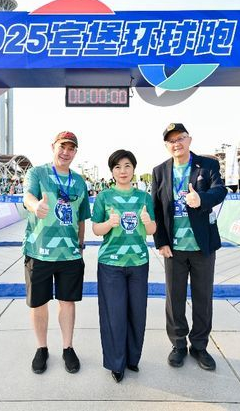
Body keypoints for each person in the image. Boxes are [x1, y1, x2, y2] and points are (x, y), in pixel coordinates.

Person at [151, 123, 227, 371]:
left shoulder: (207, 165)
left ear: (189, 139)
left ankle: (200, 346)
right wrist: (161, 241)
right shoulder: (159, 171)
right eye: (171, 140)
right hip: (174, 248)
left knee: (203, 298)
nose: (177, 144)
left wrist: (201, 199)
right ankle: (178, 345)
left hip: (202, 246)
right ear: (166, 145)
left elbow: (220, 191)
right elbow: (156, 208)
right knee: (175, 299)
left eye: (180, 138)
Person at [22, 131, 91, 374]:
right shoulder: (37, 173)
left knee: (67, 302)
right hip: (38, 252)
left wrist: (80, 245)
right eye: (62, 146)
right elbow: (27, 196)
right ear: (53, 146)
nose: (66, 152)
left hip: (69, 255)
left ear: (75, 152)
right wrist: (35, 206)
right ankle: (41, 348)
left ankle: (67, 347)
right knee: (38, 303)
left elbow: (81, 217)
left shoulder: (80, 182)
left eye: (71, 148)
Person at [92, 150, 156, 383]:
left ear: (134, 169)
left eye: (127, 166)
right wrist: (109, 224)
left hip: (138, 262)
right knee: (114, 314)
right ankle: (116, 364)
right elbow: (96, 229)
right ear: (112, 171)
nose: (123, 171)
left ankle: (132, 359)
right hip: (111, 263)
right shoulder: (104, 197)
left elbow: (152, 229)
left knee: (137, 313)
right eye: (117, 167)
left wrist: (148, 222)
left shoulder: (144, 197)